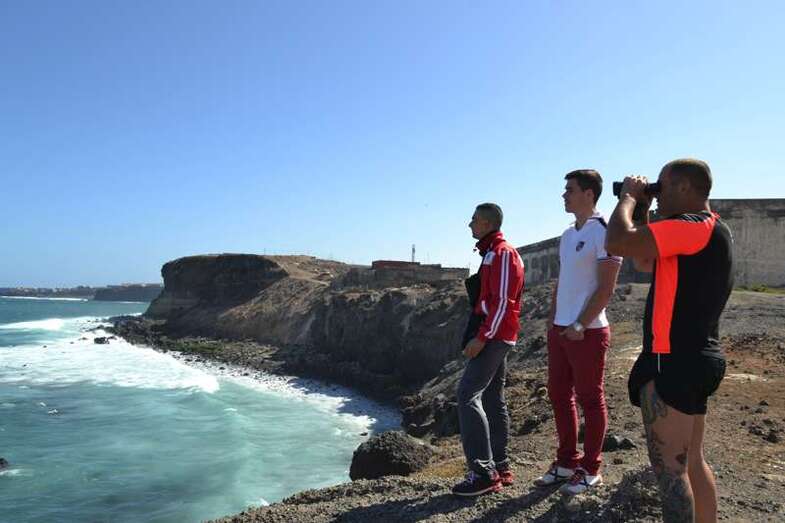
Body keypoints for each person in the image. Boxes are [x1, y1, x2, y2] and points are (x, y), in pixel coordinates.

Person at [606, 159, 733, 523]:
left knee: (671, 473)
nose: (657, 195)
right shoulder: (710, 228)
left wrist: (628, 198)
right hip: (698, 357)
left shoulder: (690, 226)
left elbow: (616, 241)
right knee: (691, 462)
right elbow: (644, 260)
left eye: (661, 187)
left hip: (673, 361)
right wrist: (644, 211)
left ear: (684, 187)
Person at [534, 170, 622, 495]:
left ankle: (591, 469)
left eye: (569, 190)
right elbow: (564, 279)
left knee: (590, 399)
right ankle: (567, 462)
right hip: (561, 328)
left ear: (588, 193)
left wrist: (580, 324)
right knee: (559, 395)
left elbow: (606, 288)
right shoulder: (568, 234)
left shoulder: (605, 230)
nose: (564, 195)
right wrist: (553, 318)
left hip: (588, 331)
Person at [452, 203, 525, 497]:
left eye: (473, 220)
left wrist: (483, 337)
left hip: (495, 336)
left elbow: (504, 302)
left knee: (467, 394)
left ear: (486, 223)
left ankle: (483, 473)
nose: (469, 224)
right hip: (496, 334)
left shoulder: (503, 253)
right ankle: (500, 466)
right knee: (493, 398)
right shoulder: (491, 252)